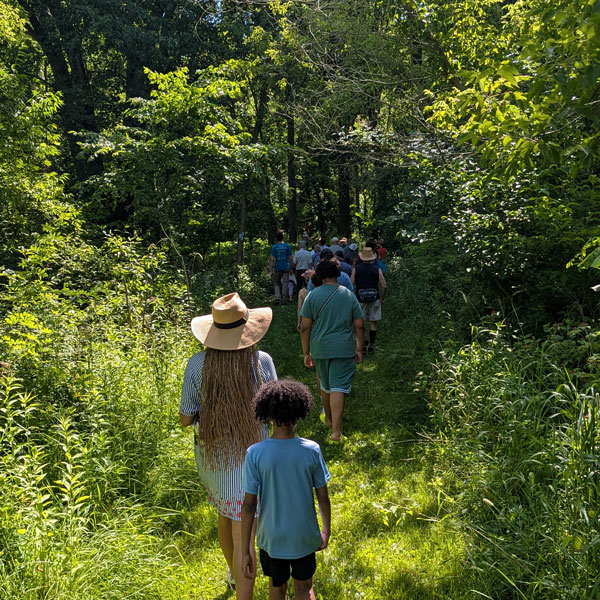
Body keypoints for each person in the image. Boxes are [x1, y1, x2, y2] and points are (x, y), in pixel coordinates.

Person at [179, 292, 277, 599]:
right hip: (250, 455)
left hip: (214, 457)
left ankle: (236, 578)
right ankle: (242, 589)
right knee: (245, 529)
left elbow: (185, 419)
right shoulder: (260, 360)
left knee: (226, 513)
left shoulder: (197, 365)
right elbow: (274, 411)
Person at [241, 379, 331, 600]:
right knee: (304, 588)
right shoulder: (311, 450)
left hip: (272, 539)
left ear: (267, 416)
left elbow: (249, 505)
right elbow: (323, 497)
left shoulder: (255, 453)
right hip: (304, 536)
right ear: (299, 412)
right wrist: (326, 530)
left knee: (276, 588)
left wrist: (245, 549)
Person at [300, 258, 365, 442]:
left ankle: (328, 418)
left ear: (320, 275)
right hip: (343, 347)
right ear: (337, 274)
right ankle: (336, 432)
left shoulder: (312, 295)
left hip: (319, 347)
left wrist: (306, 352)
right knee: (339, 387)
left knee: (325, 385)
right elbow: (359, 325)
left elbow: (305, 327)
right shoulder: (348, 295)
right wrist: (359, 347)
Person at [351, 246, 387, 354]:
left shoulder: (356, 269)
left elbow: (351, 284)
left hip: (360, 299)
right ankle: (371, 345)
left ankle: (363, 343)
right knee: (373, 322)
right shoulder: (377, 269)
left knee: (361, 322)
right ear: (372, 257)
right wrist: (382, 298)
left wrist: (353, 298)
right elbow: (384, 285)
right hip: (374, 298)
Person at [269, 231, 293, 305]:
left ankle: (277, 298)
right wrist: (291, 267)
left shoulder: (274, 247)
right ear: (283, 238)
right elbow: (290, 258)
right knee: (285, 284)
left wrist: (271, 269)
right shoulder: (287, 246)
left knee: (276, 283)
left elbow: (272, 259)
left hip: (277, 268)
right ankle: (284, 299)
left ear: (276, 238)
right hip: (286, 267)